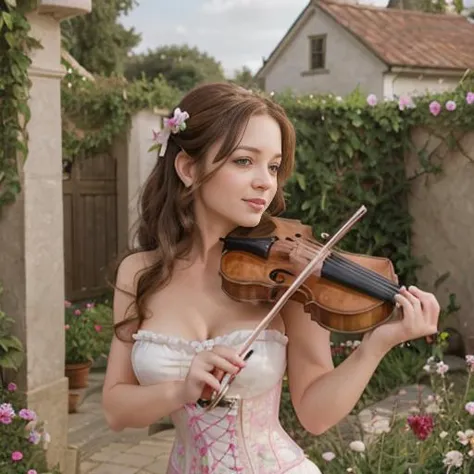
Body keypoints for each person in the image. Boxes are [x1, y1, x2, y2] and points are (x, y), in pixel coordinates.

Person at [102, 82, 440, 473]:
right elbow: (114, 409)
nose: (267, 181)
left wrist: (376, 344)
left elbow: (315, 414)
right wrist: (181, 390)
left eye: (274, 166)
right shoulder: (141, 272)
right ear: (189, 168)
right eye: (245, 161)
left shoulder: (293, 278)